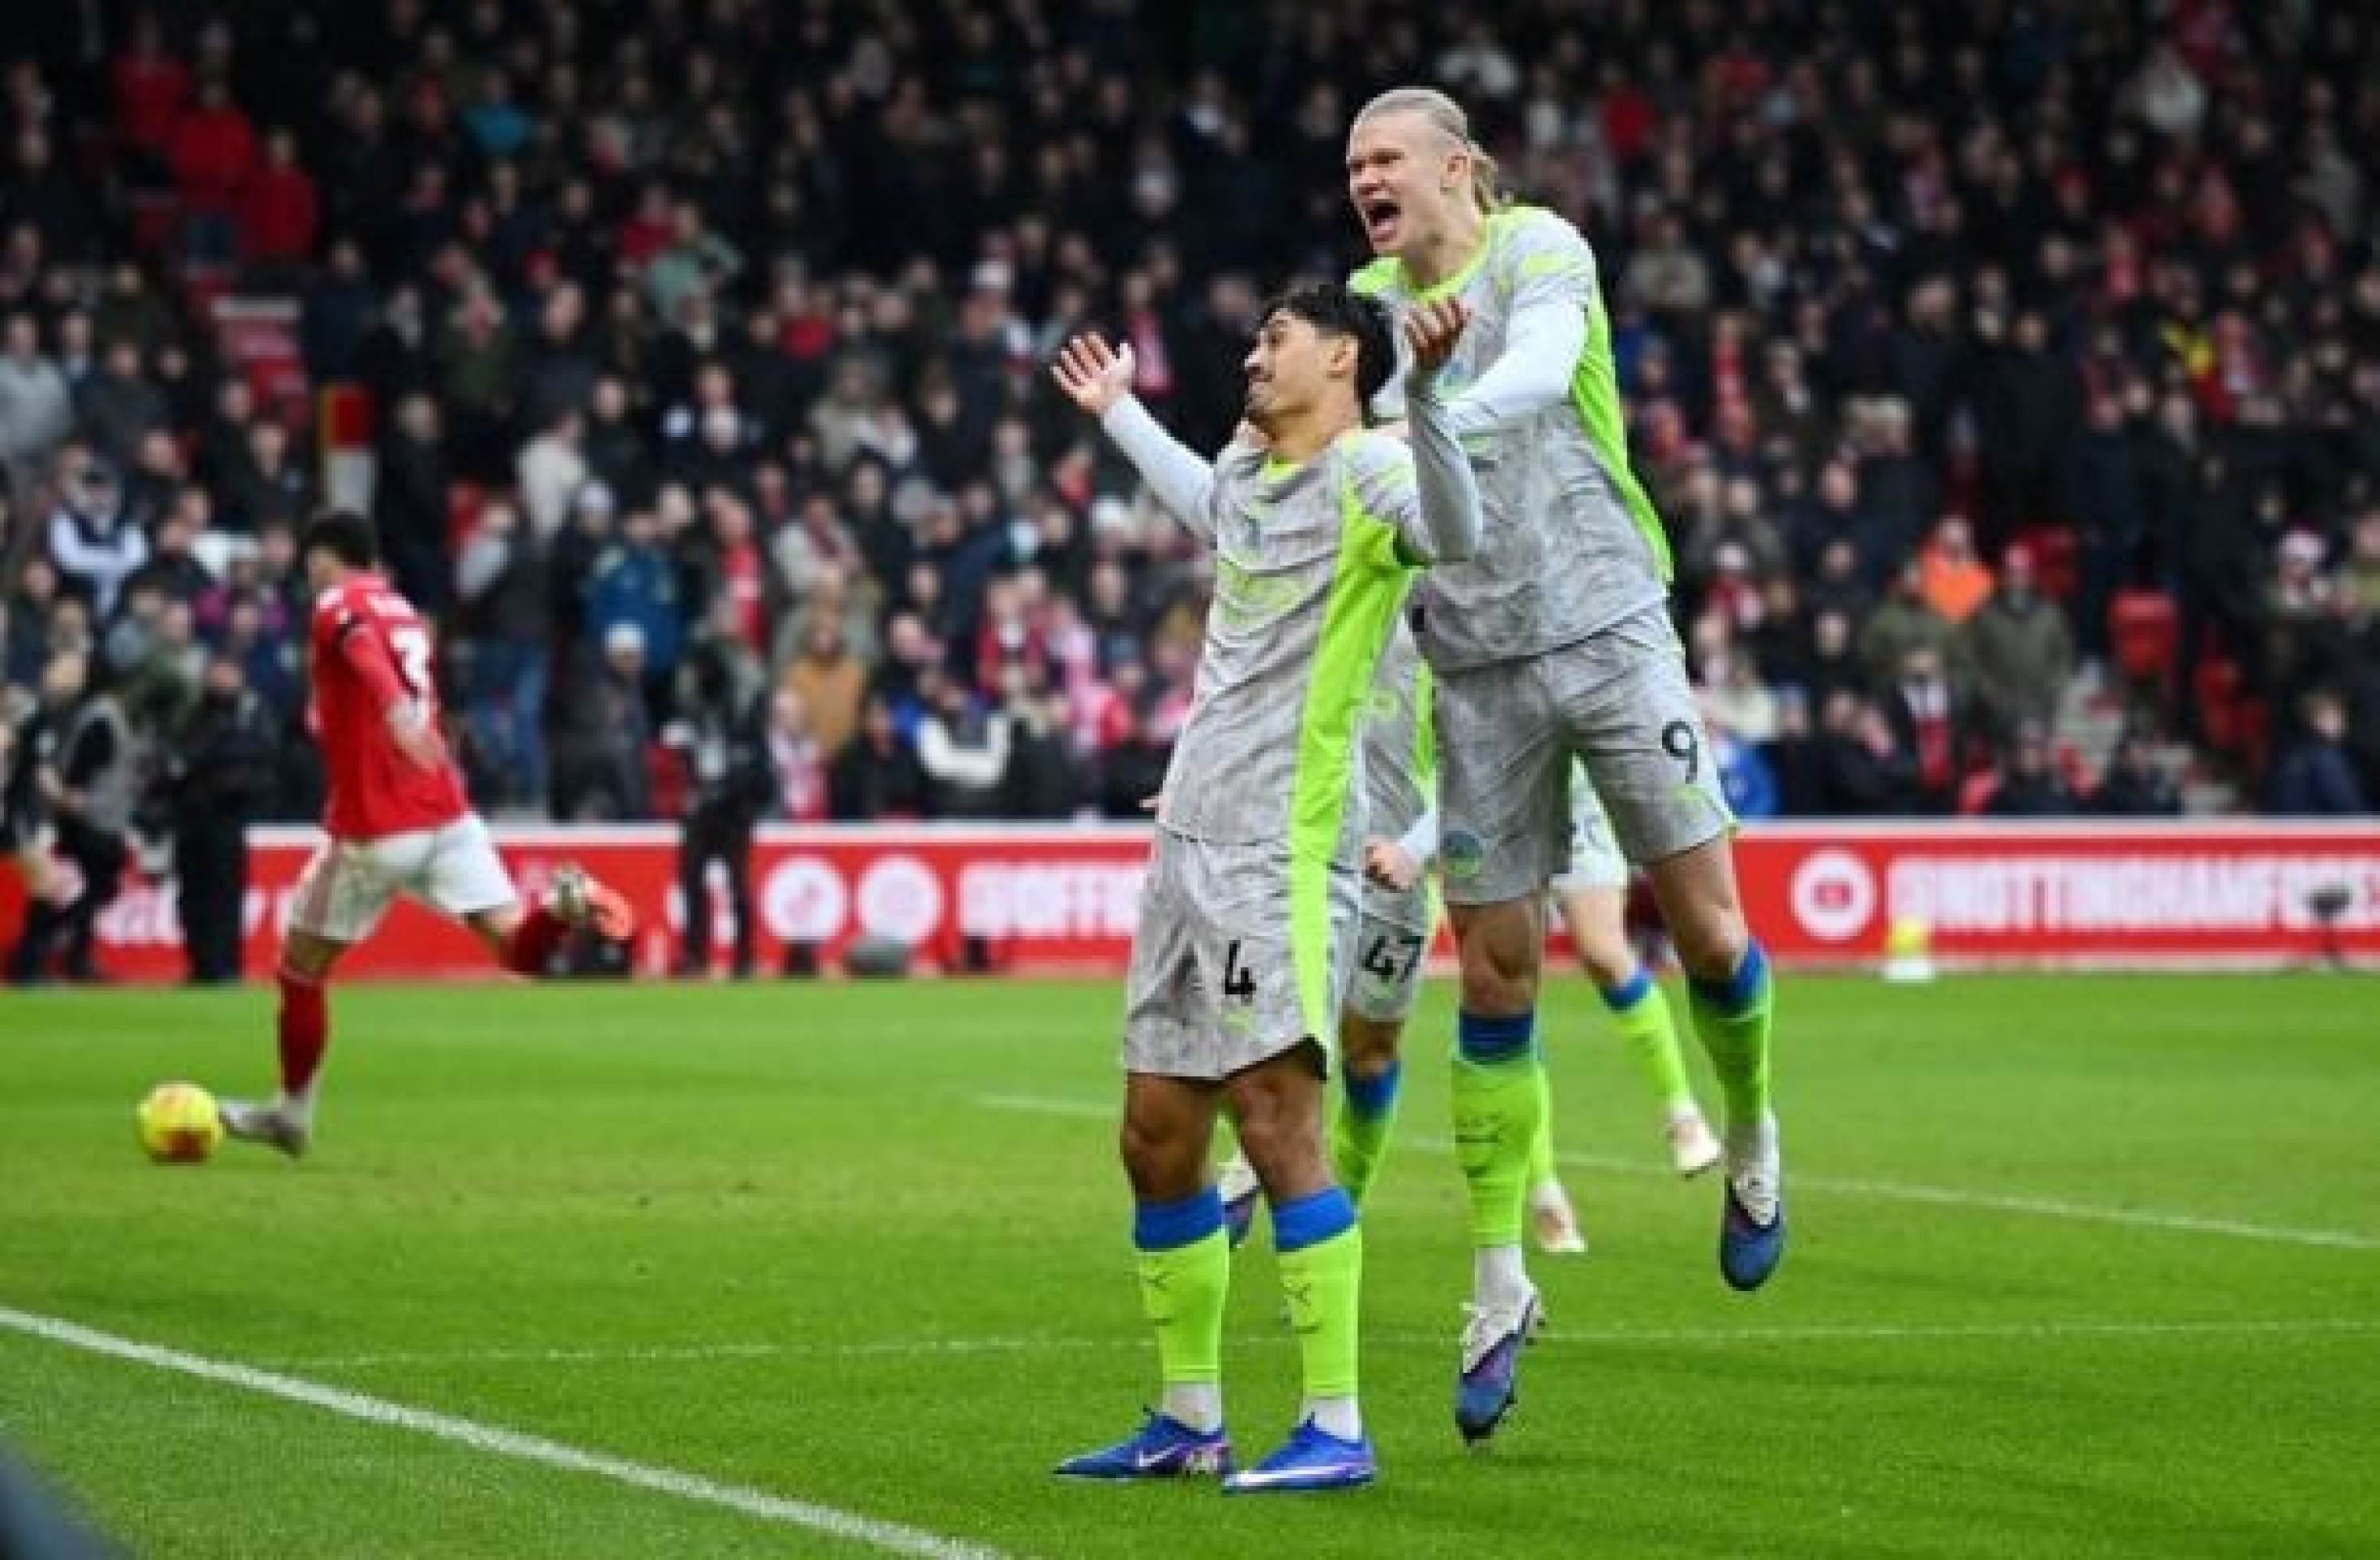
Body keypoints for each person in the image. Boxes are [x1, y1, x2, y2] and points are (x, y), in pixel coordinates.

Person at [1344, 86, 1784, 1444]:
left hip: (1604, 625)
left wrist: (1424, 404)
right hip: (1474, 667)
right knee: (1491, 970)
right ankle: (1494, 1284)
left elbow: (1532, 376)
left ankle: (1752, 1134)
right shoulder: (1364, 292)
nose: (1364, 177)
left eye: (1385, 157)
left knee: (1705, 933)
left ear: (1457, 167)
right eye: (1351, 163)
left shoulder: (1541, 248)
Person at [1046, 284, 1481, 1493]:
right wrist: (1122, 413)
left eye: (1273, 338)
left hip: (1280, 856)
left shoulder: (1373, 478)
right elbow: (1202, 500)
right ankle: (1189, 1419)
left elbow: (1458, 529)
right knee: (1154, 1134)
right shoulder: (1251, 476)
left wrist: (1431, 394)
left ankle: (1334, 1424)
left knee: (1277, 1120)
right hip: (1186, 842)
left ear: (1340, 357)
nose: (1252, 354)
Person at [215, 511, 637, 1158]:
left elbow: (360, 647)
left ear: (325, 558)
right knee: (514, 949)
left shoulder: (340, 600)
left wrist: (395, 709)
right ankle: (561, 907)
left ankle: (292, 1114)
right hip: (446, 813)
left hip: (378, 826)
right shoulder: (404, 609)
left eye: (311, 565)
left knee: (300, 971)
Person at [1214, 619, 1594, 1254]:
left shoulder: (1456, 637)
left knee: (1369, 1053)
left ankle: (1344, 1212)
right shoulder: (1337, 605)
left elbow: (1488, 774)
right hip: (1307, 852)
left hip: (1391, 872)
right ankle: (1246, 1164)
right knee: (1273, 1011)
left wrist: (1414, 849)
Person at [6, 650, 135, 985]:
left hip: (26, 812)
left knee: (53, 884)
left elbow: (36, 766)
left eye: (77, 671)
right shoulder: (29, 708)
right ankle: (28, 967)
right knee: (54, 884)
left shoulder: (54, 712)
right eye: (67, 669)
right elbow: (31, 765)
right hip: (15, 812)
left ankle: (29, 966)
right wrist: (64, 797)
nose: (74, 677)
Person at [163, 653, 280, 984]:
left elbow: (262, 761)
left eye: (228, 673)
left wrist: (205, 764)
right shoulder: (190, 714)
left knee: (224, 896)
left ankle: (226, 966)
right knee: (192, 896)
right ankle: (200, 965)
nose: (221, 680)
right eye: (217, 672)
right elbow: (173, 760)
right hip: (189, 819)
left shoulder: (251, 714)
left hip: (227, 819)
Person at [663, 640, 770, 977]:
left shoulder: (741, 709)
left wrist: (735, 791)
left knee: (737, 885)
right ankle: (697, 955)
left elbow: (756, 761)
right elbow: (681, 754)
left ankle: (743, 957)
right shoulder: (693, 710)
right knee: (693, 881)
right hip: (701, 808)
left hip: (733, 809)